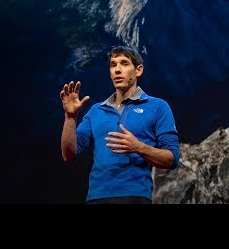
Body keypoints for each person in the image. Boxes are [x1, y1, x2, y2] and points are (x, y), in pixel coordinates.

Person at [60, 45, 180, 204]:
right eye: (113, 65)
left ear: (138, 70)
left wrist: (138, 147)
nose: (117, 69)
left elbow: (172, 158)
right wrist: (70, 118)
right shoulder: (96, 111)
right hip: (96, 198)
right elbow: (69, 154)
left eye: (124, 63)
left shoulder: (158, 107)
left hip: (135, 197)